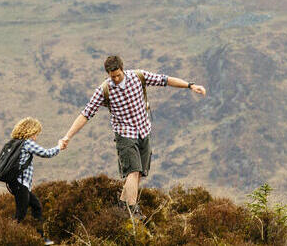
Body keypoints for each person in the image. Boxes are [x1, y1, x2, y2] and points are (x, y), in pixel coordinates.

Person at [59, 54, 206, 217]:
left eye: (118, 75)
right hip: (124, 134)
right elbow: (86, 114)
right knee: (133, 171)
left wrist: (190, 86)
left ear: (123, 69)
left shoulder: (138, 76)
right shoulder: (104, 90)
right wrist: (68, 136)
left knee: (140, 172)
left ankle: (122, 204)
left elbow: (165, 80)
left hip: (144, 130)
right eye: (112, 76)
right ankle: (133, 210)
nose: (115, 79)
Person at [6, 117, 60, 225]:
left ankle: (41, 237)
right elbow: (46, 153)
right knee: (20, 214)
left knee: (36, 206)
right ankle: (7, 234)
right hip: (21, 184)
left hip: (16, 184)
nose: (36, 138)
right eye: (35, 134)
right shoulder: (27, 143)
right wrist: (59, 147)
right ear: (29, 131)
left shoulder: (15, 143)